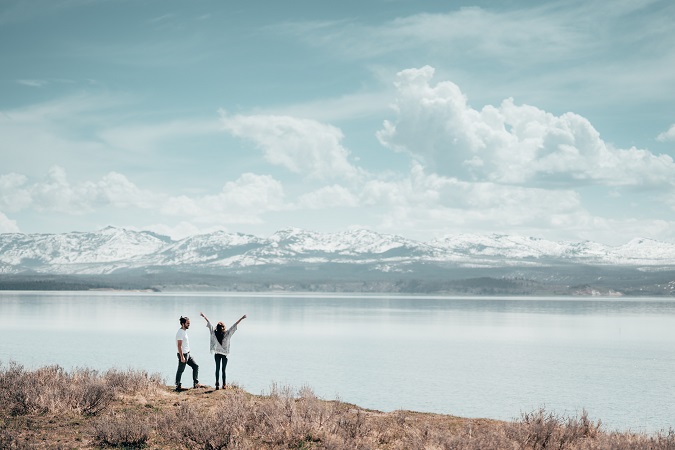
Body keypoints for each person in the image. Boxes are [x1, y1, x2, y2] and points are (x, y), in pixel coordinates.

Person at [200, 311, 247, 390]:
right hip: (224, 354)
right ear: (223, 327)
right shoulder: (227, 333)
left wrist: (204, 316)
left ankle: (217, 383)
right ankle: (224, 384)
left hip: (217, 354)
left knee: (217, 368)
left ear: (217, 328)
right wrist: (242, 318)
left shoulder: (214, 333)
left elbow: (210, 325)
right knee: (223, 370)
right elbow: (234, 325)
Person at [175, 316, 202, 391]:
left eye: (189, 323)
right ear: (183, 324)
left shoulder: (184, 331)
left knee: (195, 366)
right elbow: (179, 345)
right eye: (187, 323)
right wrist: (182, 357)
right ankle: (178, 386)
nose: (189, 324)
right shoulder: (180, 333)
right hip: (183, 354)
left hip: (187, 354)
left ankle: (196, 384)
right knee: (180, 370)